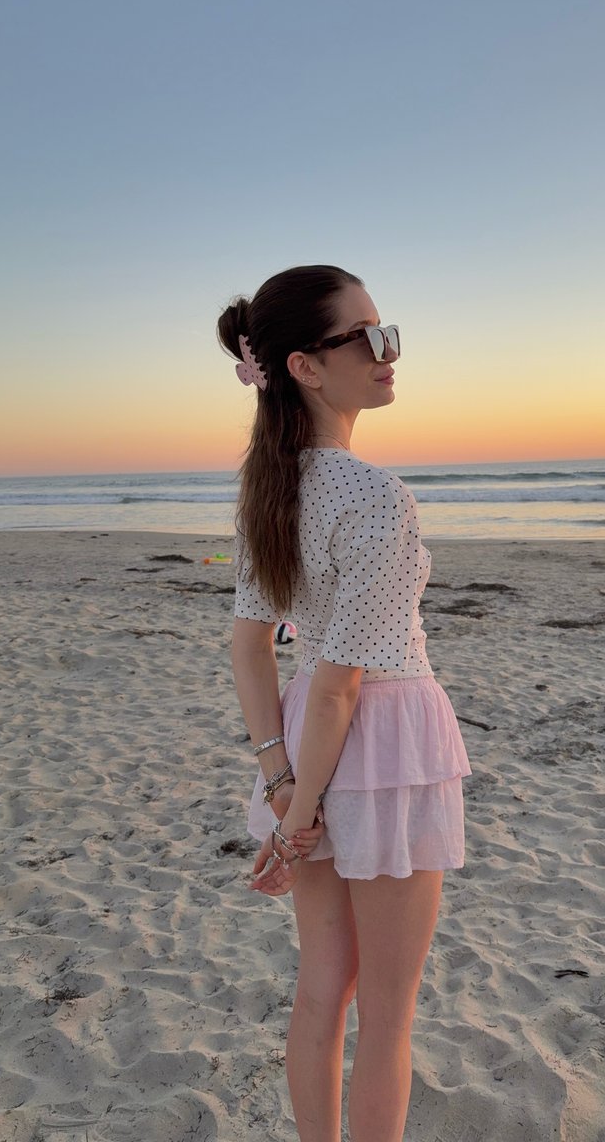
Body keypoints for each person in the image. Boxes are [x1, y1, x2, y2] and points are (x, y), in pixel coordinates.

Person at [219, 265, 470, 1142]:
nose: (388, 351)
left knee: (324, 989)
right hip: (383, 748)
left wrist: (282, 784)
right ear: (305, 367)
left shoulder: (268, 490)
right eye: (365, 336)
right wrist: (299, 815)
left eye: (386, 330)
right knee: (388, 1014)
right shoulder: (375, 497)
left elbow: (254, 649)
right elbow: (340, 684)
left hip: (301, 756)